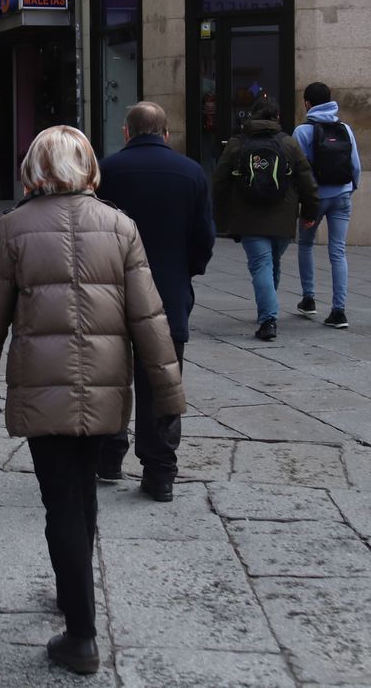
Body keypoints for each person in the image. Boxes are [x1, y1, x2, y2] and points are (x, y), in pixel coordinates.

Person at [0, 126, 184, 676]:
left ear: (32, 169)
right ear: (89, 166)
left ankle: (81, 632)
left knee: (62, 502)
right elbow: (149, 317)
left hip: (42, 389)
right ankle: (73, 597)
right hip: (106, 388)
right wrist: (168, 392)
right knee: (81, 499)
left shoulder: (12, 228)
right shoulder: (119, 226)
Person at [94, 101, 214, 501]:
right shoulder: (192, 173)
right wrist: (186, 272)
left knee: (110, 376)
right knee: (161, 381)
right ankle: (159, 471)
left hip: (113, 292)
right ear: (166, 134)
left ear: (126, 133)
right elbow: (204, 238)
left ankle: (109, 456)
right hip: (168, 291)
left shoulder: (106, 171)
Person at [213, 95, 319, 342]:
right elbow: (306, 181)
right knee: (272, 262)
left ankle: (268, 318)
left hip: (248, 216)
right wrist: (310, 213)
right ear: (277, 118)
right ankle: (268, 310)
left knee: (262, 264)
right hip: (282, 217)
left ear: (251, 115)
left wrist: (220, 215)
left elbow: (220, 180)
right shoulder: (289, 144)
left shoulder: (237, 143)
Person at [293, 81, 361, 330]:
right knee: (338, 251)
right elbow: (355, 165)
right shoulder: (345, 128)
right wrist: (350, 189)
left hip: (316, 198)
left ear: (307, 103)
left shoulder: (302, 131)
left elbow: (298, 171)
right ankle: (339, 310)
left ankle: (308, 298)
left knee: (306, 243)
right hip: (342, 194)